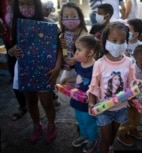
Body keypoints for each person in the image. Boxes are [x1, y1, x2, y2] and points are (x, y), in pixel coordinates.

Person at [87, 21, 142, 153]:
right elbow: (94, 85)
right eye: (114, 40)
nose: (118, 44)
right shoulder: (99, 63)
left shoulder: (129, 62)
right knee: (105, 138)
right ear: (105, 40)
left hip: (121, 108)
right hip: (103, 108)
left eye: (122, 41)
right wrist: (91, 103)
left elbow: (132, 81)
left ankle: (111, 149)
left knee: (112, 136)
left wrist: (137, 85)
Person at [8, 0, 62, 143]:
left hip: (46, 70)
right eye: (22, 4)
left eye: (30, 4)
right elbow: (10, 48)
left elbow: (58, 49)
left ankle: (51, 125)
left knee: (47, 102)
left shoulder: (48, 23)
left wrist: (57, 68)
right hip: (25, 69)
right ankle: (36, 125)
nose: (26, 8)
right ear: (17, 6)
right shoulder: (16, 24)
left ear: (37, 5)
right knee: (30, 101)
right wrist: (12, 51)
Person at [60, 35, 99, 153]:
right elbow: (79, 78)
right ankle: (84, 135)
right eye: (76, 49)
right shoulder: (78, 64)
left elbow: (99, 85)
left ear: (90, 52)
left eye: (79, 50)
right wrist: (67, 80)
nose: (75, 53)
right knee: (80, 119)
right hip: (78, 99)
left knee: (89, 121)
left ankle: (93, 139)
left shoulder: (97, 67)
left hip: (89, 102)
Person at [118, 44, 142, 146]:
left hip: (141, 100)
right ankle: (123, 135)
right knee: (127, 119)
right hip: (129, 101)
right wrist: (128, 99)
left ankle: (133, 129)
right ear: (140, 59)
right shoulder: (131, 70)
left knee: (137, 117)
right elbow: (124, 86)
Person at [0, 0, 28, 121]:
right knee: (15, 74)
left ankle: (51, 97)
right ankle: (23, 105)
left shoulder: (24, 3)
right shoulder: (2, 4)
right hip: (10, 42)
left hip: (31, 43)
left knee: (39, 71)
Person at [58, 2, 88, 82]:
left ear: (80, 17)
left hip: (80, 71)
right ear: (62, 18)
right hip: (67, 69)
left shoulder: (83, 34)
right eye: (66, 16)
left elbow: (88, 53)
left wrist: (76, 58)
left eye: (73, 16)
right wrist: (61, 45)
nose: (69, 19)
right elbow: (62, 52)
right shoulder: (64, 32)